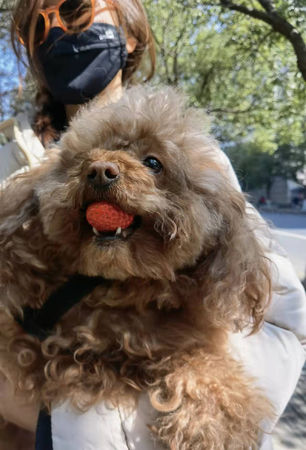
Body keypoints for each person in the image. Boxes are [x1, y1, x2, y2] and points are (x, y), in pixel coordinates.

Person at [0, 1, 305, 449]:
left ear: (130, 33)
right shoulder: (9, 159)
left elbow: (277, 328)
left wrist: (62, 424)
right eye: (41, 26)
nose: (60, 32)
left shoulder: (198, 154)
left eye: (78, 12)